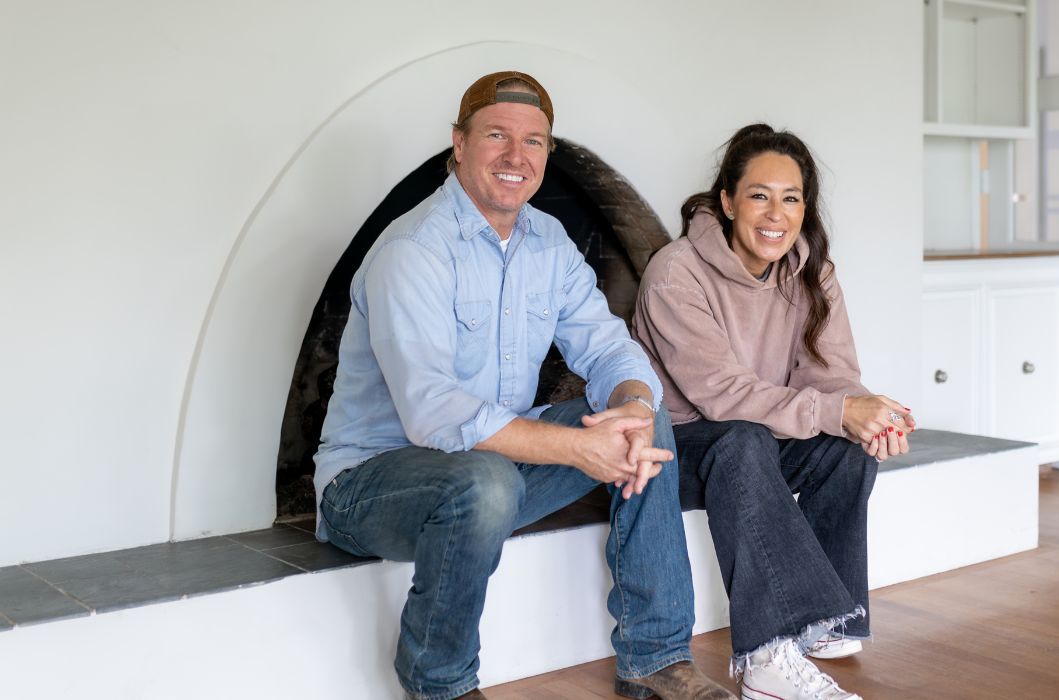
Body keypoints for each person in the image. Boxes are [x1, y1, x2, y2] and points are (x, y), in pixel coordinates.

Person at [313, 71, 733, 700]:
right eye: (497, 136)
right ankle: (442, 685)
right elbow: (434, 413)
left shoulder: (548, 242)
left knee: (646, 422)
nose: (517, 156)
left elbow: (609, 344)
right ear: (458, 143)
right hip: (369, 488)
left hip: (493, 473)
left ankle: (654, 657)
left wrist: (633, 405)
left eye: (534, 142)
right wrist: (575, 448)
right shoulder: (414, 249)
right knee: (483, 480)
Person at [632, 124, 917, 700]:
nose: (775, 213)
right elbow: (722, 395)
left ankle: (825, 620)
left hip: (755, 439)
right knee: (740, 438)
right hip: (679, 447)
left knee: (843, 448)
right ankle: (765, 658)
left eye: (791, 198)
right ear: (728, 201)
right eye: (760, 195)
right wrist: (837, 410)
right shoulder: (676, 272)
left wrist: (866, 415)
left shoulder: (813, 272)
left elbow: (831, 374)